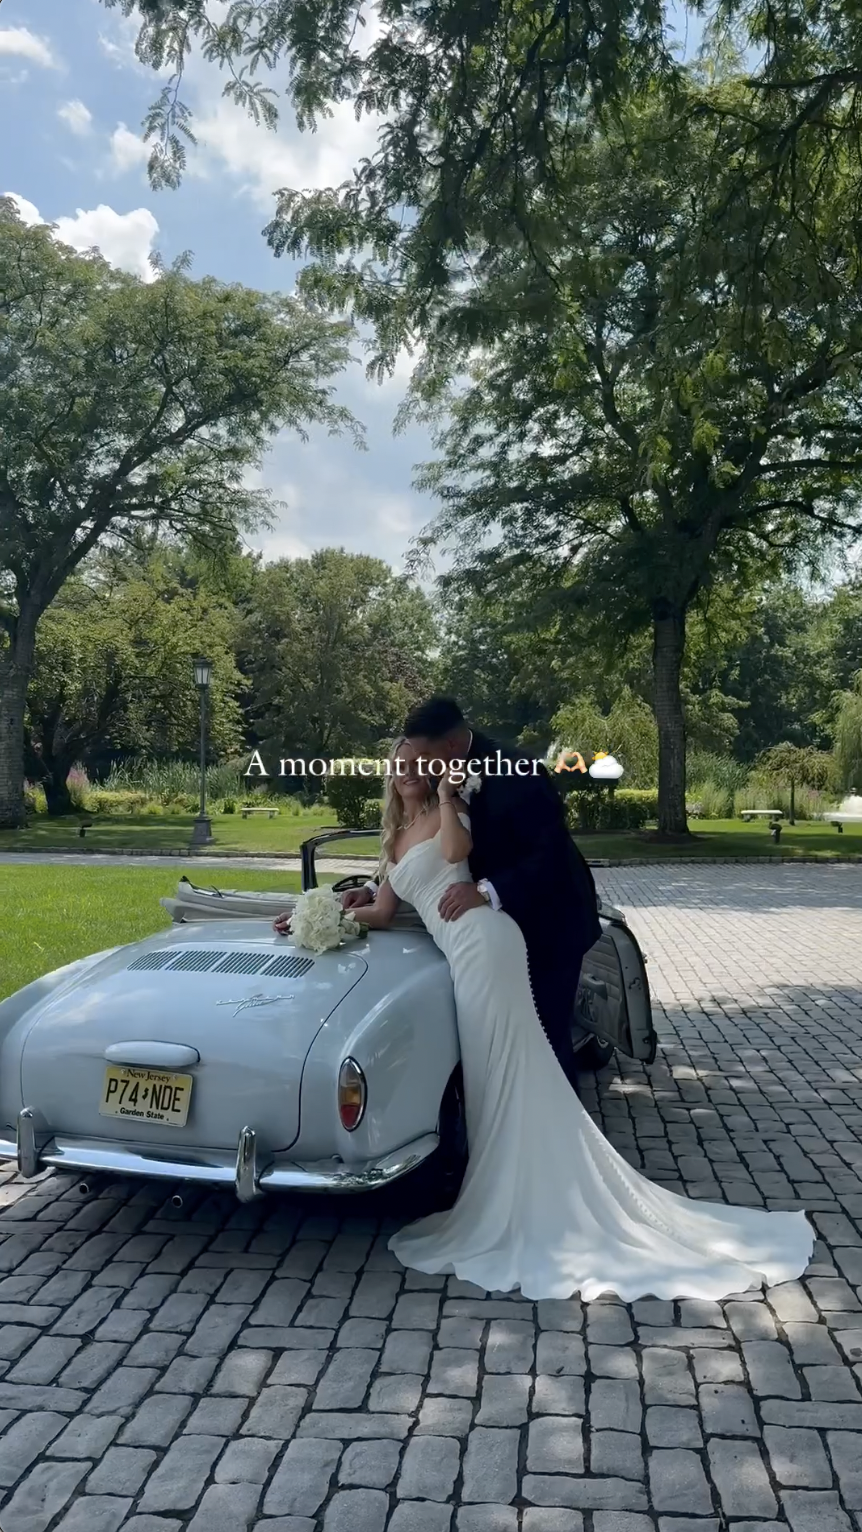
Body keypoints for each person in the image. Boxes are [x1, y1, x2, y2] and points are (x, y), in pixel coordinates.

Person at [344, 736, 814, 1301]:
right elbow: (384, 908)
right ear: (390, 777)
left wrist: (447, 795)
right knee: (493, 1073)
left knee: (516, 1059)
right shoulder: (392, 838)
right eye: (400, 768)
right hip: (460, 957)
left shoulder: (454, 808)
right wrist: (327, 913)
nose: (408, 774)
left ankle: (533, 1196)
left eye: (419, 766)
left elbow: (452, 855)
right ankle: (509, 1185)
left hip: (487, 943)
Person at [342, 697, 602, 1085]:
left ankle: (554, 1135)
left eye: (424, 754)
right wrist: (373, 885)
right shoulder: (438, 770)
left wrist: (486, 890)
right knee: (498, 1040)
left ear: (448, 745)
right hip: (485, 932)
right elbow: (420, 846)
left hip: (550, 922)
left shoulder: (518, 770)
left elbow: (548, 854)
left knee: (545, 1036)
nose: (419, 766)